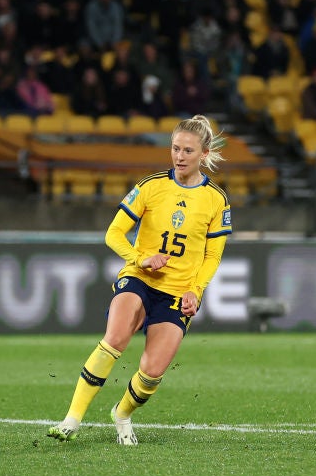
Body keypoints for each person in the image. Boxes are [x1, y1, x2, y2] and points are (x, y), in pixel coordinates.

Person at [46, 115, 231, 446]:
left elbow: (212, 256)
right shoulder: (151, 186)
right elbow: (113, 233)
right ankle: (71, 420)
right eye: (175, 148)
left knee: (152, 373)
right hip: (139, 277)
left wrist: (195, 290)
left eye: (188, 150)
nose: (179, 156)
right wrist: (138, 259)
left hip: (177, 291)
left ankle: (122, 413)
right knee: (115, 338)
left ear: (204, 154)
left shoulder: (216, 200)